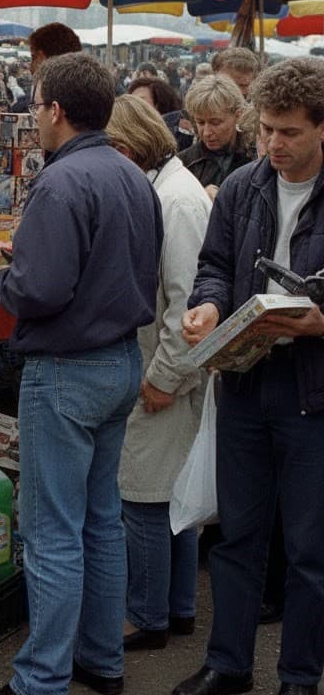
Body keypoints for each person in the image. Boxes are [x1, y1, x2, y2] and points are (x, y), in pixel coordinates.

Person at [0, 52, 163, 695]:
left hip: (68, 368)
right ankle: (101, 662)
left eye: (36, 105)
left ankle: (41, 677)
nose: (34, 116)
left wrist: (2, 279)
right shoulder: (130, 173)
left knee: (53, 534)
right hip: (119, 359)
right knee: (99, 521)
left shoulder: (63, 182)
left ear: (55, 110)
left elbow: (41, 290)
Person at [174, 57, 324, 695]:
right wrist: (207, 304)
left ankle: (298, 676)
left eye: (288, 131)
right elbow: (214, 265)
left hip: (312, 390)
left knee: (310, 548)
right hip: (242, 381)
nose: (273, 145)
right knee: (235, 534)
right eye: (265, 130)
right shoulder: (243, 186)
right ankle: (228, 664)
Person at [104, 95, 212, 652]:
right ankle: (177, 609)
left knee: (144, 494)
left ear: (125, 148)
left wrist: (165, 377)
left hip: (169, 368)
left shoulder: (176, 201)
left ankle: (148, 616)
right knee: (170, 494)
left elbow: (185, 305)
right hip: (169, 364)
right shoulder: (167, 190)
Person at [179, 74, 254, 199]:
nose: (207, 132)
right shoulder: (184, 163)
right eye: (201, 122)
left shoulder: (256, 157)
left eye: (215, 123)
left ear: (238, 115)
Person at [127, 75, 192, 151]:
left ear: (160, 102)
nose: (134, 105)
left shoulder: (179, 131)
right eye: (132, 101)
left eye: (140, 101)